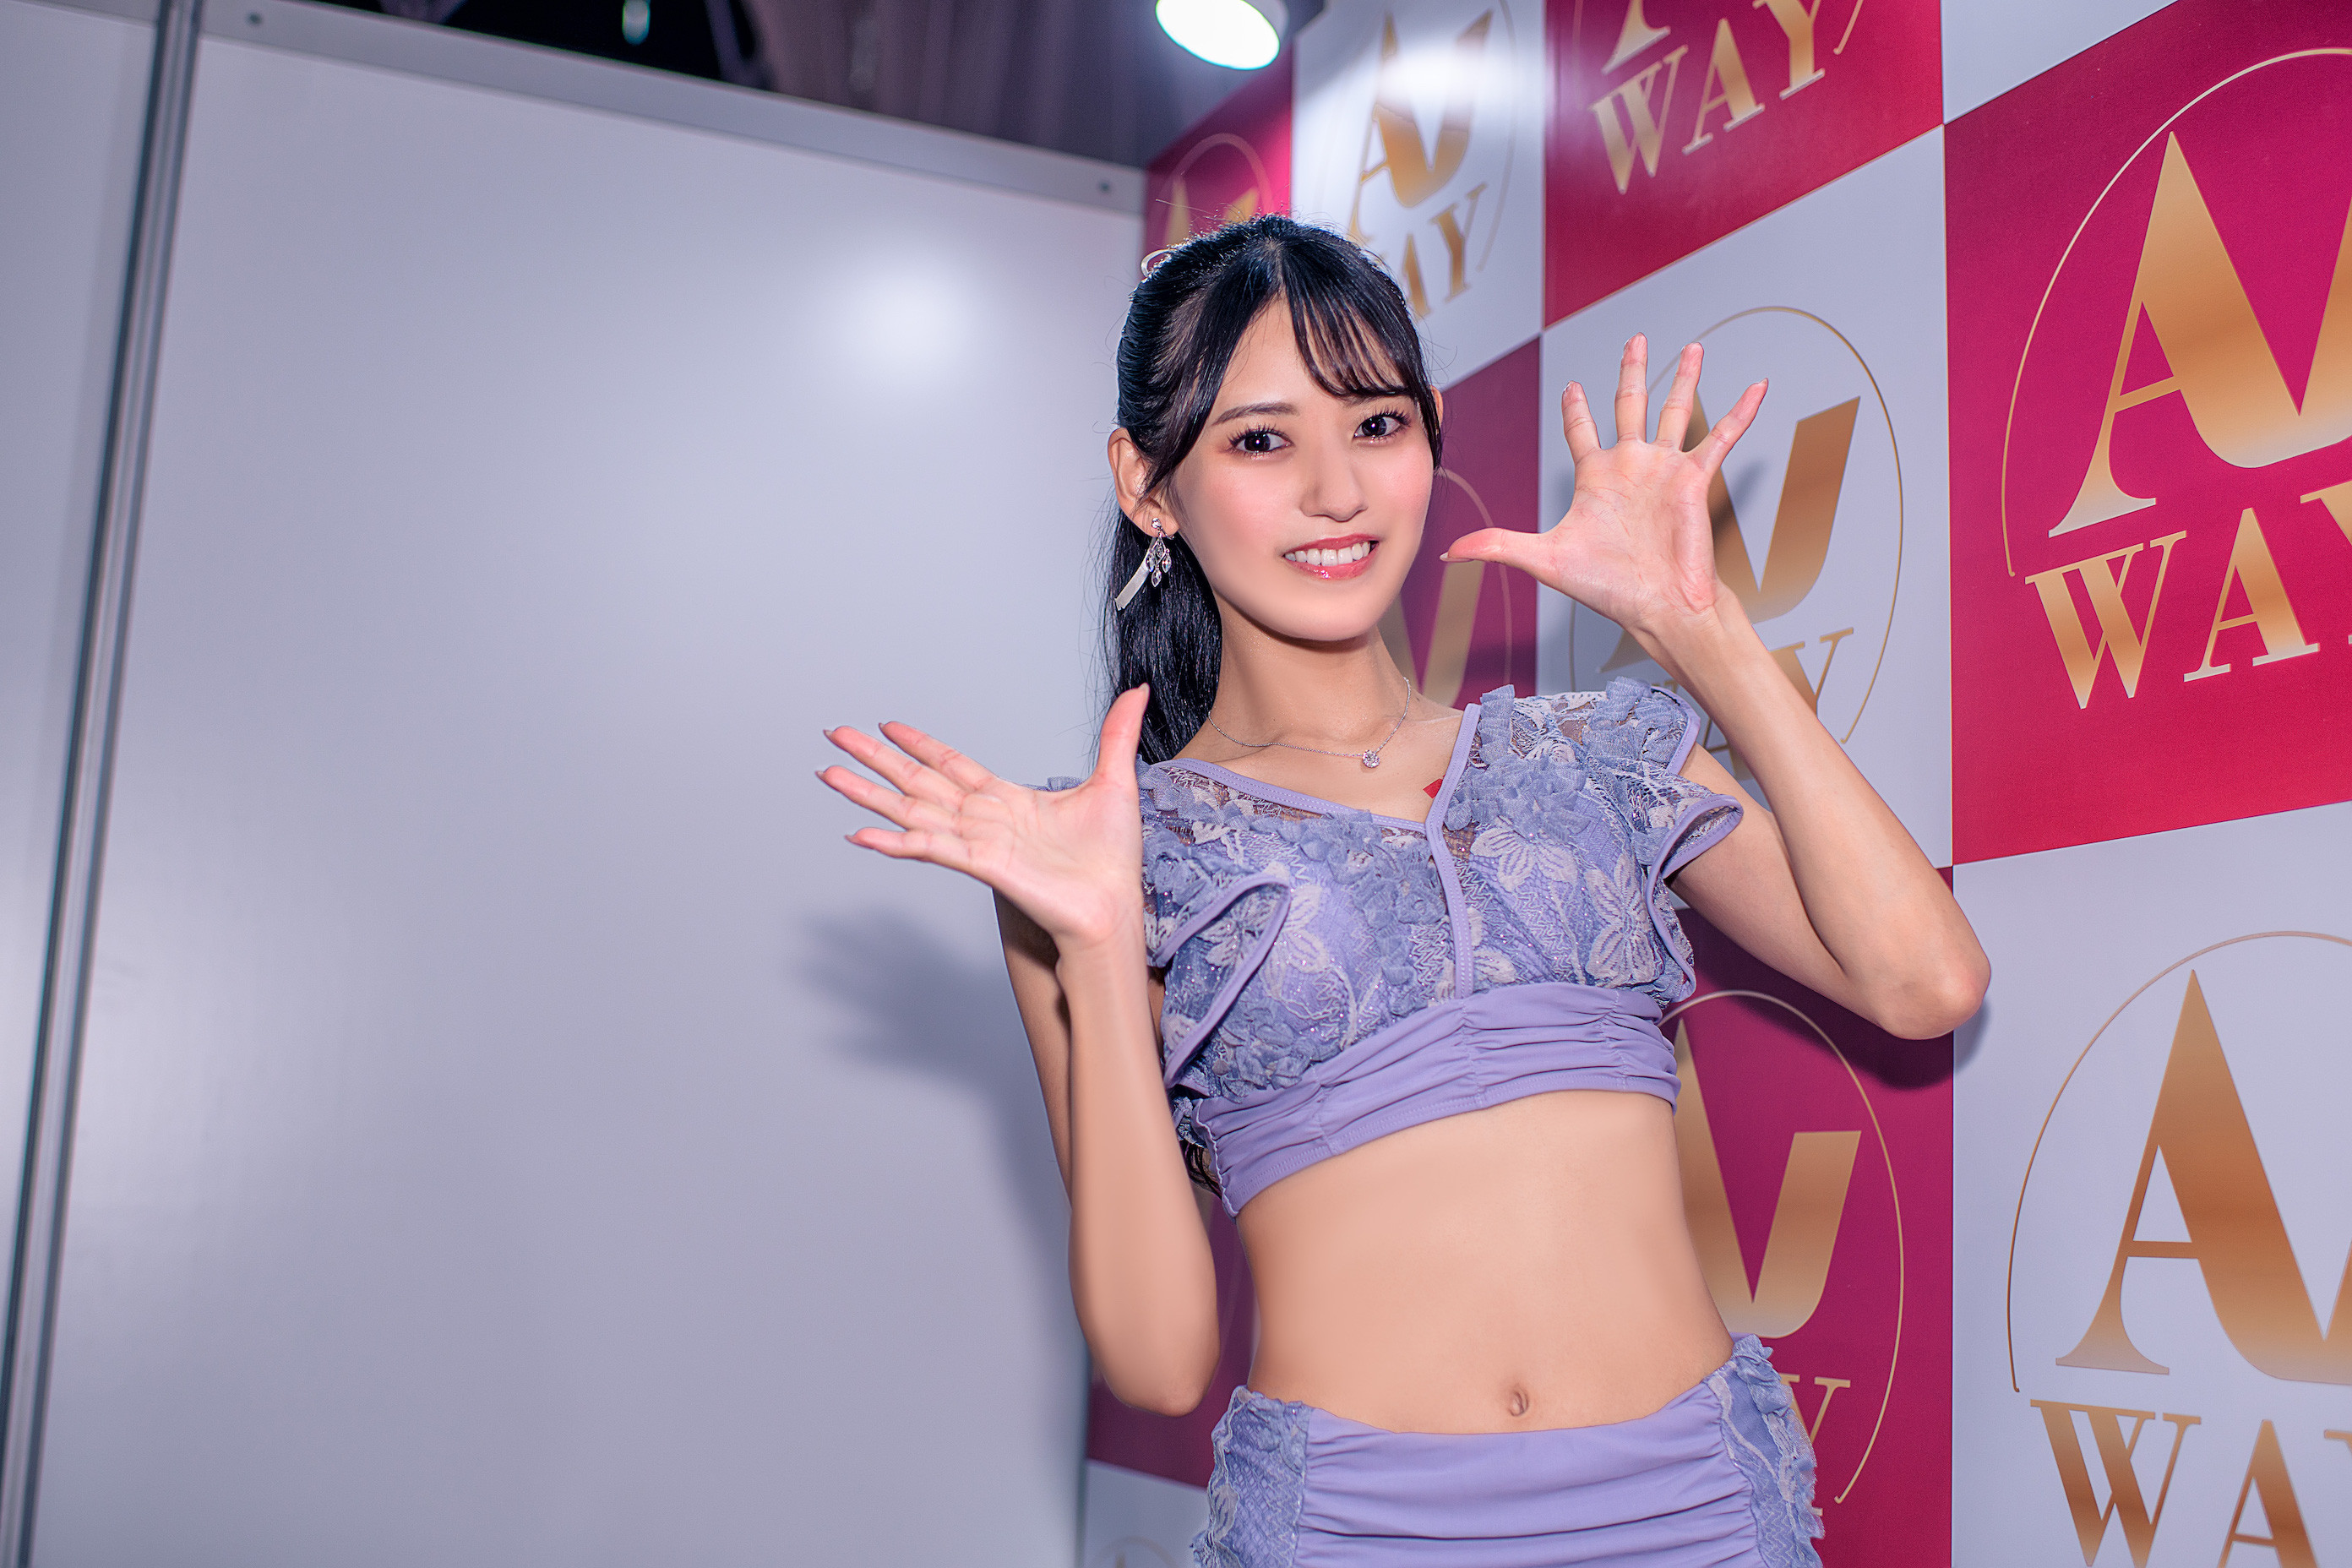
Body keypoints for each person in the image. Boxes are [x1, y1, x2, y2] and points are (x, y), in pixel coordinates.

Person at [818, 215, 1986, 1567]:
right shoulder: (1103, 852)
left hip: (1698, 1516)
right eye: (1261, 441)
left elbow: (1927, 983)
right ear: (1149, 485)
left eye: (1375, 424)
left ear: (1430, 431)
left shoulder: (1593, 752)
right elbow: (1158, 1359)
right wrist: (1092, 935)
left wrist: (1697, 627)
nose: (1336, 490)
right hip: (1351, 1532)